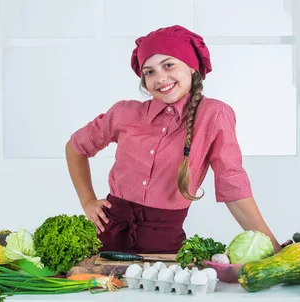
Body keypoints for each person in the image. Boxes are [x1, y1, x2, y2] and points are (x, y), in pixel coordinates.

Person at [66, 25, 281, 254]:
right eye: (149, 72)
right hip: (105, 241)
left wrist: (274, 249)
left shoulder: (214, 115)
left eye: (168, 65)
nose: (160, 78)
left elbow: (233, 185)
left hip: (165, 251)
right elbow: (76, 148)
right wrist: (87, 201)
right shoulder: (124, 113)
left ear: (192, 67)